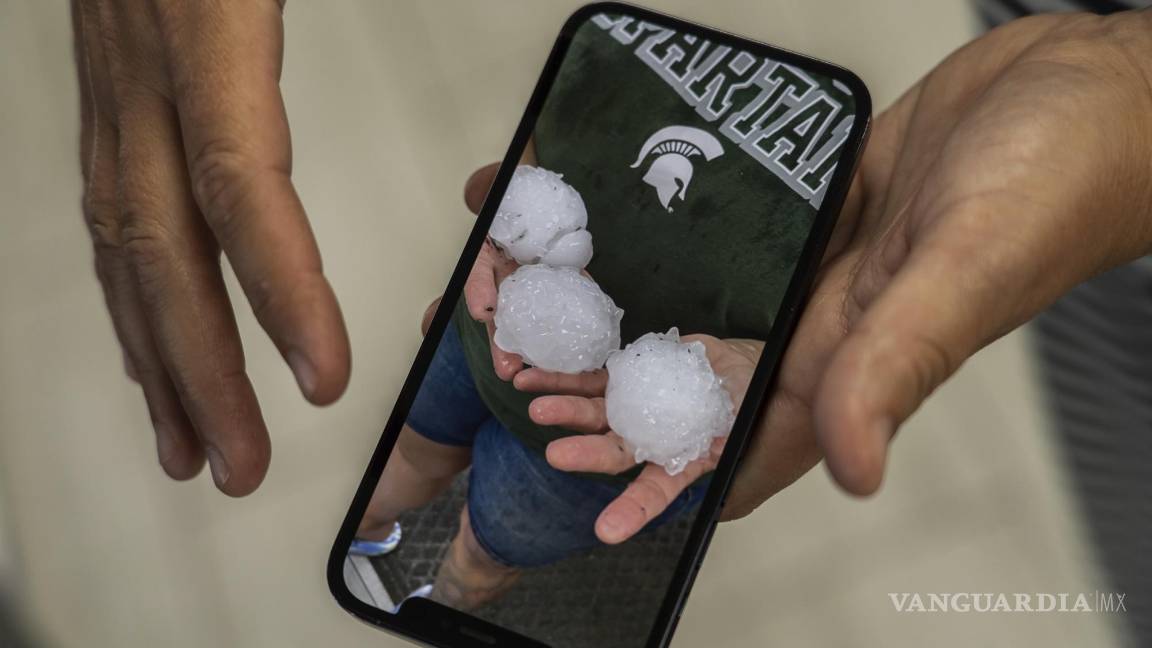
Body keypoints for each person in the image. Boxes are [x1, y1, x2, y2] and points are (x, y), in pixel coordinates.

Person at [72, 0, 1151, 629]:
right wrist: (534, 192)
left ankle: (443, 590)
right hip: (498, 328)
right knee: (420, 434)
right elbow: (575, 115)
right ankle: (380, 533)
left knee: (501, 531)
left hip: (607, 438)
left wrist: (1134, 84)